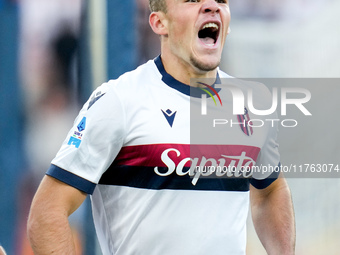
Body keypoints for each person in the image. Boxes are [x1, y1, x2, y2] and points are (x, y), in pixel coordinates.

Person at [27, 0, 296, 254]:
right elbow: (47, 212)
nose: (212, 6)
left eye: (221, 1)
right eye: (192, 0)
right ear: (159, 23)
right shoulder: (119, 100)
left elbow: (270, 190)